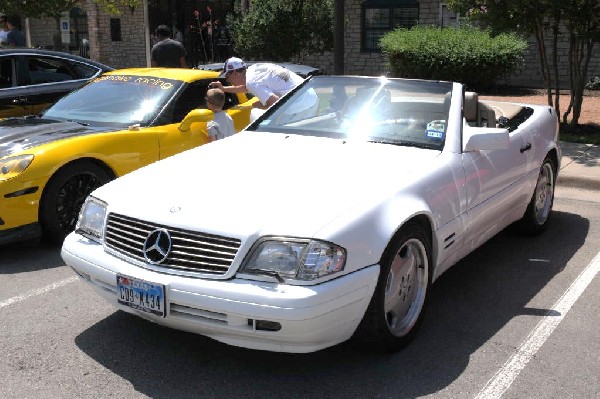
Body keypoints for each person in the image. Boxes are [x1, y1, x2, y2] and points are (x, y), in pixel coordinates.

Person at [209, 57, 318, 122]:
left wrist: (259, 105)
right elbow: (246, 88)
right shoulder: (253, 70)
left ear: (235, 73)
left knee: (256, 112)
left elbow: (276, 103)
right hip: (309, 94)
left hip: (300, 104)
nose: (228, 80)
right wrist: (223, 88)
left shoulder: (252, 82)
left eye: (228, 77)